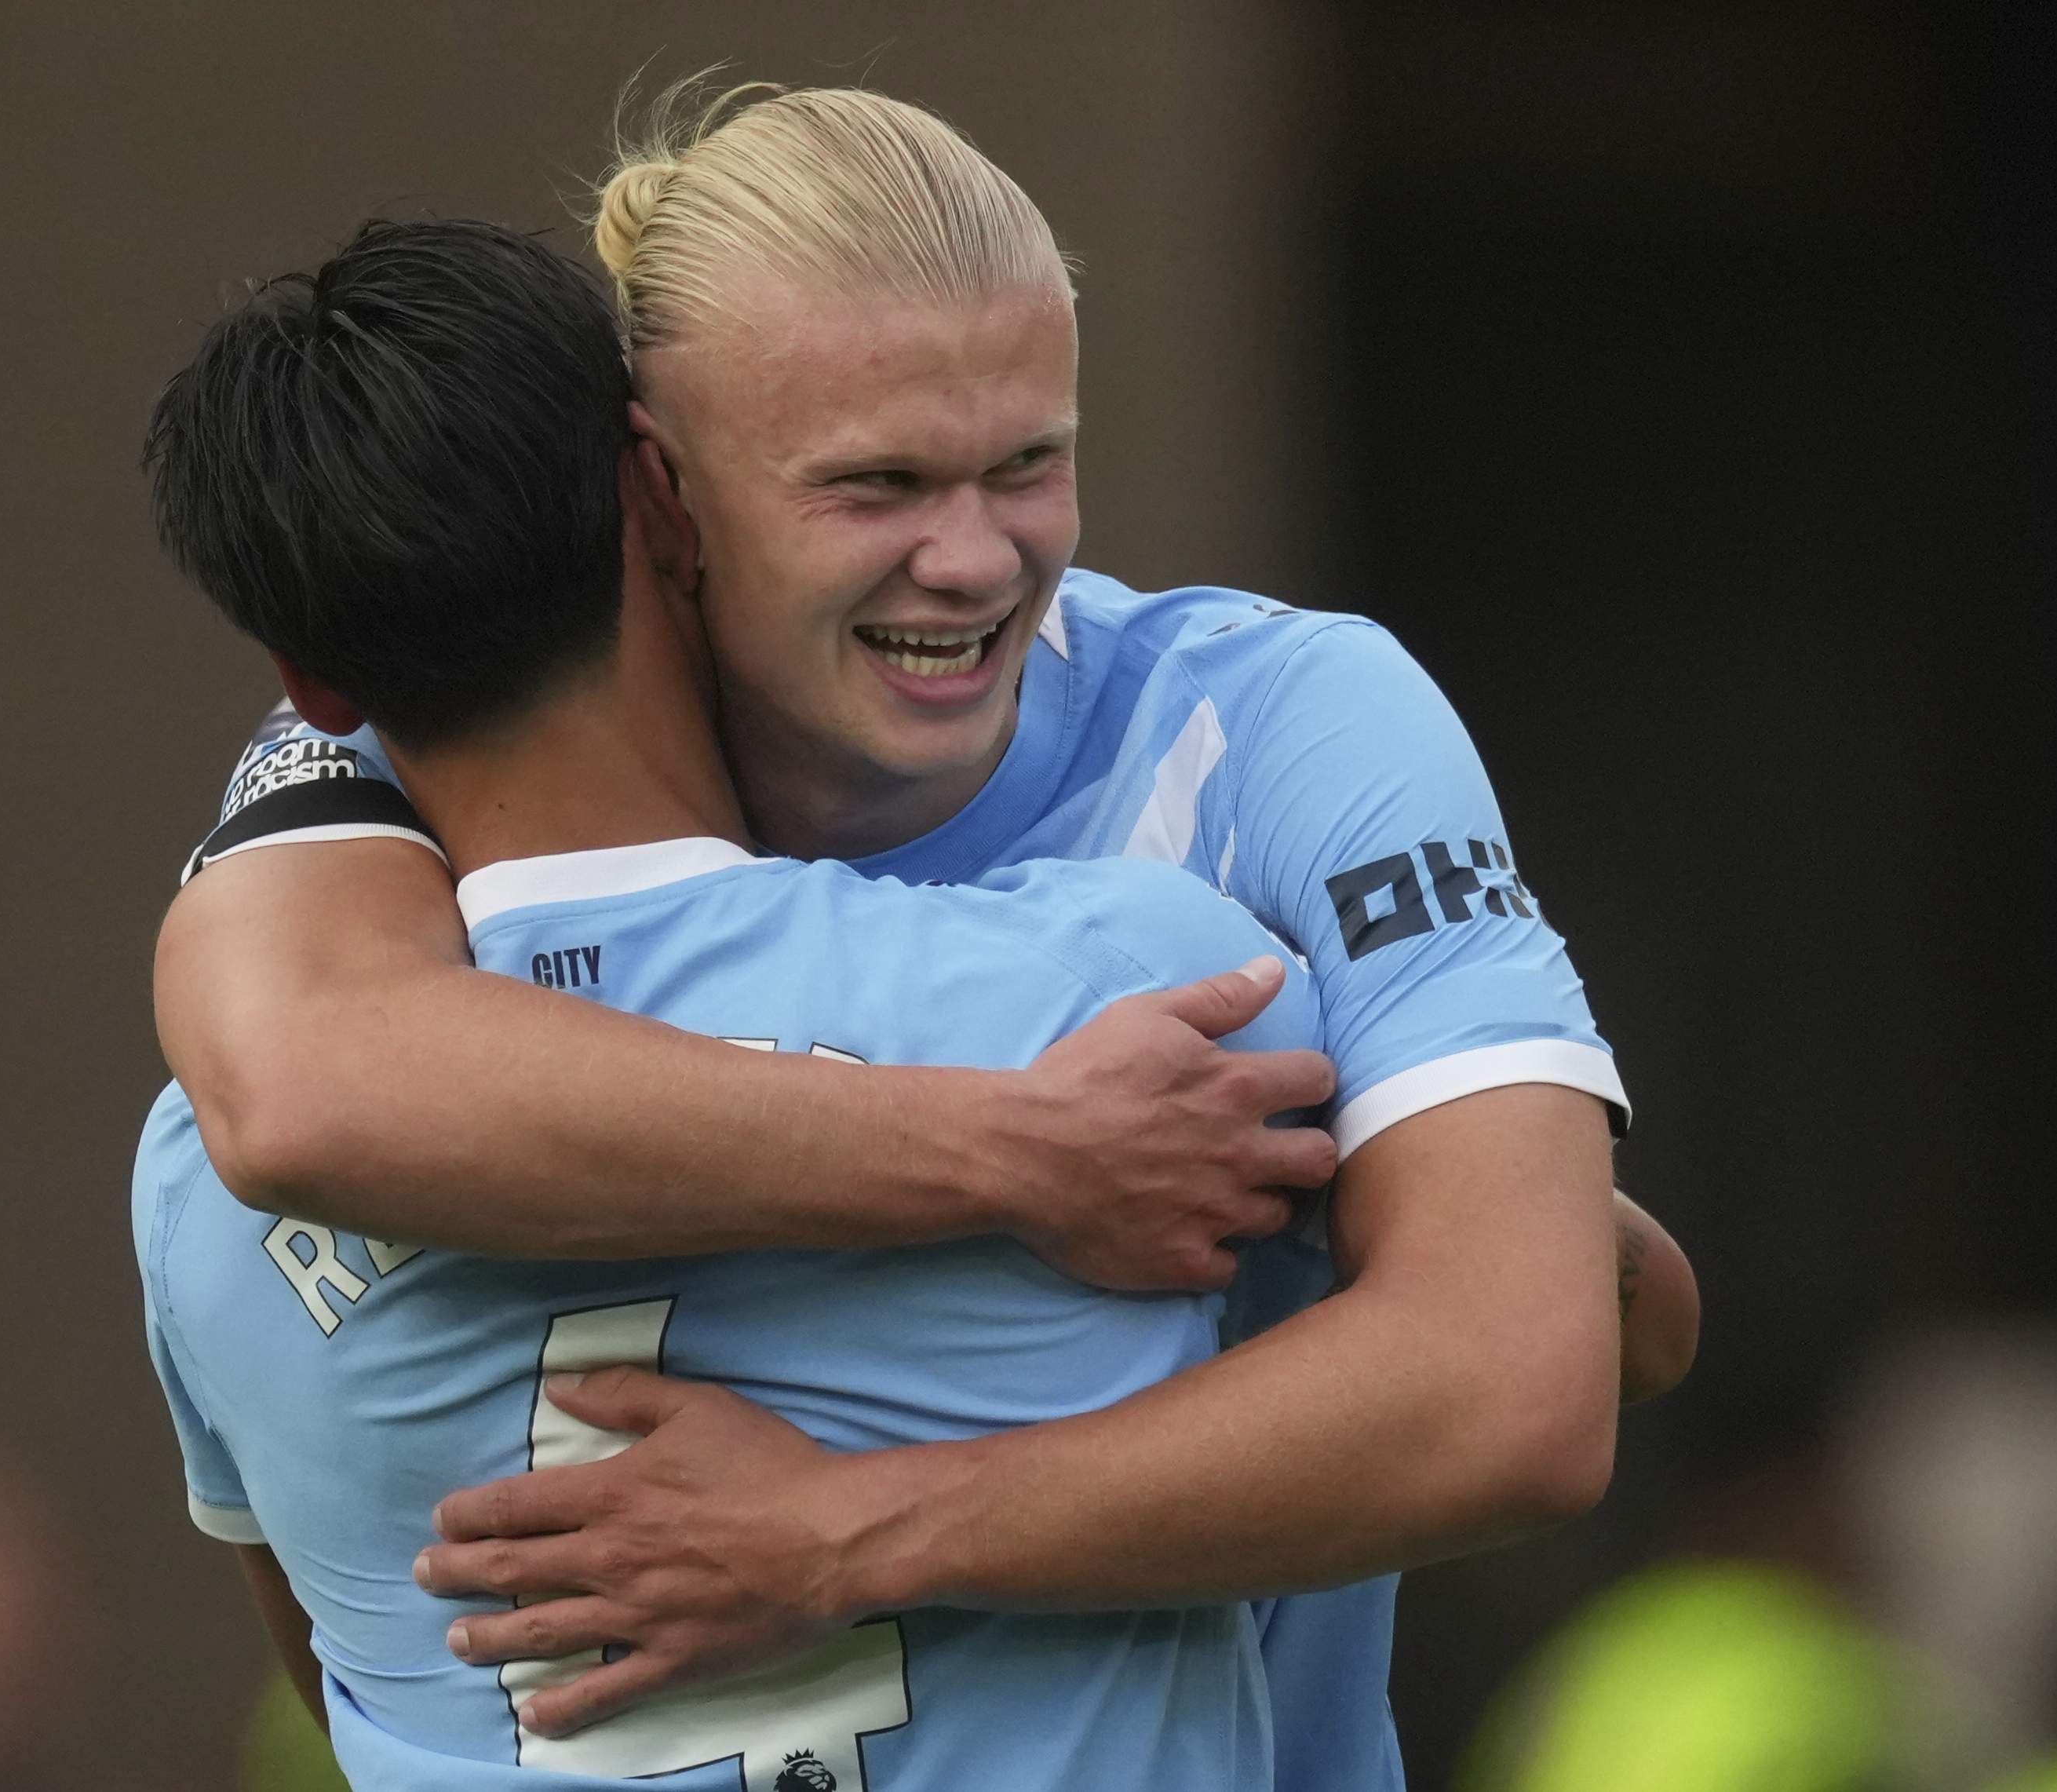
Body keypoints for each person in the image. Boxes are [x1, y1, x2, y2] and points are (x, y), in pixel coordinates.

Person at [153, 82, 1696, 1787]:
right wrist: (1026, 1152)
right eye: (874, 483)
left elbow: (1552, 1355)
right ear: (657, 495)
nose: (973, 557)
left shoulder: (1279, 721)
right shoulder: (414, 751)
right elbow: (293, 1094)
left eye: (1032, 461)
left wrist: (853, 1533)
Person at [137, 214, 1335, 1789]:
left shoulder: (190, 1191)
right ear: (659, 487)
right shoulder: (1126, 998)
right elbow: (1559, 1328)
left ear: (312, 683)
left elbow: (336, 1673)